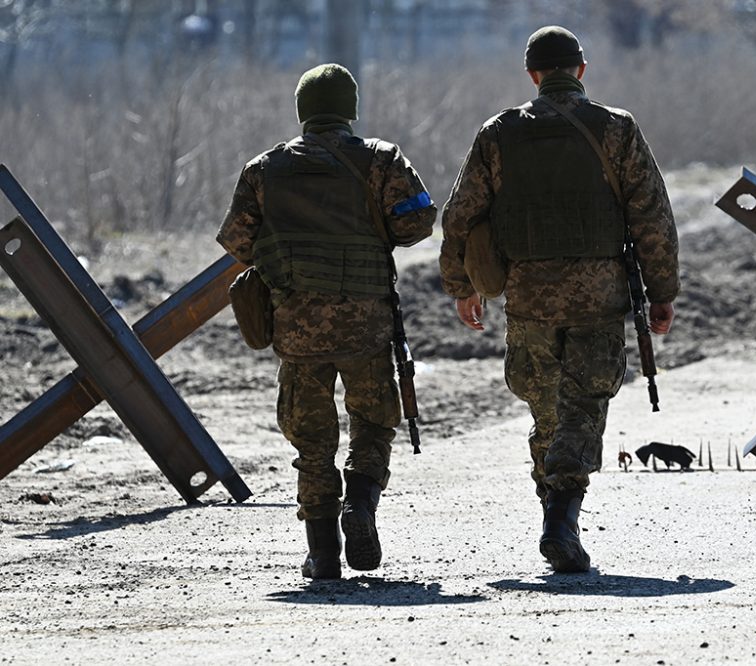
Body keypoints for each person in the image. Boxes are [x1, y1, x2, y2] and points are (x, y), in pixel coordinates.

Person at [439, 26, 679, 573]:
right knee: (585, 403)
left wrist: (463, 286)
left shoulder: (498, 134)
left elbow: (460, 217)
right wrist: (662, 290)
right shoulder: (616, 129)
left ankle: (554, 510)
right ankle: (562, 516)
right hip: (599, 292)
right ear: (581, 70)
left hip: (527, 295)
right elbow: (652, 217)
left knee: (546, 405)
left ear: (533, 75)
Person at [217, 64, 436, 579]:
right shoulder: (382, 159)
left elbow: (237, 242)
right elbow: (419, 221)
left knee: (312, 441)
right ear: (349, 110)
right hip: (367, 322)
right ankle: (360, 504)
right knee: (374, 421)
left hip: (297, 328)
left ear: (303, 112)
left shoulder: (263, 169)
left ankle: (322, 552)